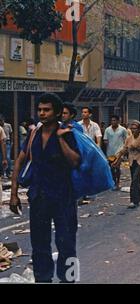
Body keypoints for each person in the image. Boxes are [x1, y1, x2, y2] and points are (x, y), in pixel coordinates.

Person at [9, 93, 81, 283]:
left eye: (46, 110)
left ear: (56, 112)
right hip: (39, 196)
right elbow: (19, 161)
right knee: (39, 244)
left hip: (63, 197)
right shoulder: (34, 134)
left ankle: (69, 279)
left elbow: (74, 162)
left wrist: (61, 140)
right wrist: (13, 194)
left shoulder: (68, 133)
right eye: (40, 109)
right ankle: (43, 279)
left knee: (67, 243)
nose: (42, 113)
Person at [113, 120, 140, 209]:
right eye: (132, 129)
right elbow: (124, 149)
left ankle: (133, 200)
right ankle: (138, 198)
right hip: (132, 161)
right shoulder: (129, 138)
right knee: (136, 179)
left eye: (135, 129)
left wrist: (136, 147)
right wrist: (117, 160)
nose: (133, 130)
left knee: (135, 179)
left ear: (139, 129)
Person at [104, 116, 128, 191]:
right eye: (112, 120)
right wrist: (106, 143)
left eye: (114, 120)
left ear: (118, 121)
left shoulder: (123, 130)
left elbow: (126, 140)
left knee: (117, 167)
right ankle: (113, 181)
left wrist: (124, 149)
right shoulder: (107, 130)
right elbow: (105, 139)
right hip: (110, 152)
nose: (113, 122)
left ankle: (118, 182)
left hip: (119, 152)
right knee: (111, 168)